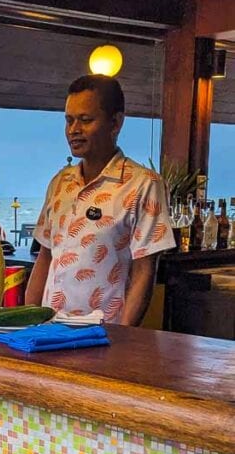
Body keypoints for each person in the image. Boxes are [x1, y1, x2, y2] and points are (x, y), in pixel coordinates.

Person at [25, 75, 175, 325]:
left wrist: (126, 338)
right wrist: (26, 321)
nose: (74, 130)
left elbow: (144, 270)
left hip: (104, 335)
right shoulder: (60, 183)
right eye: (69, 120)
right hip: (48, 332)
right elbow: (45, 257)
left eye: (85, 120)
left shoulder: (143, 184)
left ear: (115, 123)